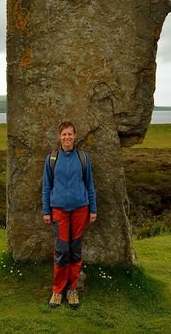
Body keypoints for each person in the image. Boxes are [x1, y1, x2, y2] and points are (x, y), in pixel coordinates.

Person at [42, 121, 97, 309]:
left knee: (75, 251)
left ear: (75, 136)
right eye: (64, 134)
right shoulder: (52, 159)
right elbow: (47, 187)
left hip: (81, 210)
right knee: (61, 251)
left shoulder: (83, 158)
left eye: (70, 134)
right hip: (59, 211)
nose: (67, 138)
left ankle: (72, 289)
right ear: (59, 137)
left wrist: (93, 209)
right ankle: (57, 291)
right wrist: (46, 211)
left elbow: (90, 184)